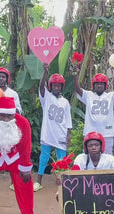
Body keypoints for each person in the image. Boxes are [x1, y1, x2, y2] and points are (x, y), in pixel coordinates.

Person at [34, 64, 72, 192]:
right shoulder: (46, 98)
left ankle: (63, 182)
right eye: (54, 85)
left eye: (59, 85)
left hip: (61, 133)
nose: (56, 87)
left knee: (62, 159)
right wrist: (45, 72)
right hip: (48, 133)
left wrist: (68, 134)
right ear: (50, 86)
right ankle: (38, 181)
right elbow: (41, 87)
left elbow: (68, 120)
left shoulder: (65, 102)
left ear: (62, 87)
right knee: (44, 158)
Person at [74, 65, 114, 155]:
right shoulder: (88, 95)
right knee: (88, 157)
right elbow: (77, 89)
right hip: (90, 132)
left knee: (107, 158)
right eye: (97, 84)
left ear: (105, 86)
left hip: (107, 133)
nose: (99, 86)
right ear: (93, 85)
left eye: (101, 84)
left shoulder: (111, 96)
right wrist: (76, 75)